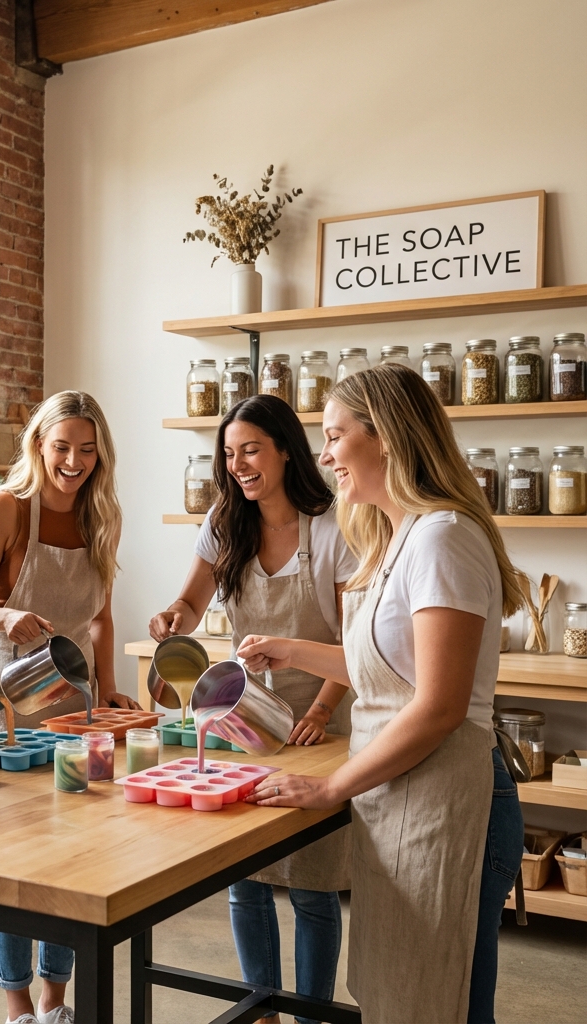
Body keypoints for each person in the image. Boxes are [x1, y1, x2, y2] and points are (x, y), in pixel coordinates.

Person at [239, 363, 525, 1024]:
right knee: (401, 994)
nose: (325, 456)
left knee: (440, 1001)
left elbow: (439, 706)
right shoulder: (402, 536)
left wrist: (330, 788)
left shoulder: (444, 539)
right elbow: (393, 671)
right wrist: (291, 649)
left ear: (387, 437)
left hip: (449, 803)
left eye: (335, 436)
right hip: (402, 797)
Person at [149, 394, 357, 1024]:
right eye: (230, 453)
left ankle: (310, 1014)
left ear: (286, 450)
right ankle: (261, 1012)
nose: (238, 465)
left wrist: (319, 709)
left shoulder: (332, 526)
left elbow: (354, 643)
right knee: (247, 880)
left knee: (314, 886)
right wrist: (172, 617)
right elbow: (191, 602)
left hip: (323, 722)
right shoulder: (225, 522)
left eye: (252, 450)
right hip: (247, 717)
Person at [0, 390, 135, 1024]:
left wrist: (107, 689)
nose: (74, 462)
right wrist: (6, 617)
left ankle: (56, 1001)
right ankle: (17, 1006)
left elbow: (101, 618)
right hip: (6, 701)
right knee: (10, 858)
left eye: (87, 450)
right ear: (38, 445)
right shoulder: (7, 507)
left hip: (74, 704)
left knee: (73, 854)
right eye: (62, 447)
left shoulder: (102, 516)